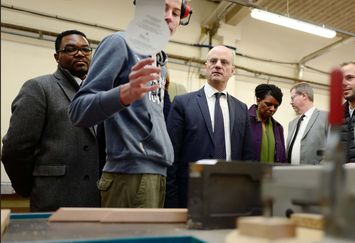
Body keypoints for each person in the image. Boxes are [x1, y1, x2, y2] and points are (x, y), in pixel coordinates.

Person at [68, 0, 189, 208]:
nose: (169, 16)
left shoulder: (160, 63)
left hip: (157, 173)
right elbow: (78, 110)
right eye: (163, 8)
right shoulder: (120, 43)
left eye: (176, 13)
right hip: (129, 174)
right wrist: (123, 94)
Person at [1, 30, 100, 212]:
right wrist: (30, 187)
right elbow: (15, 148)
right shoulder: (39, 88)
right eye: (70, 49)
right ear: (57, 57)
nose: (79, 53)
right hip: (54, 198)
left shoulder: (98, 93)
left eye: (85, 49)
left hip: (95, 200)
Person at [165, 45, 254, 208]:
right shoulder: (183, 104)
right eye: (213, 61)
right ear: (206, 67)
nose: (218, 65)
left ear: (232, 70)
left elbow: (247, 158)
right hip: (191, 194)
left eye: (224, 62)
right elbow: (171, 157)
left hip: (231, 194)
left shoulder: (241, 109)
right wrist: (171, 201)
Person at [286, 82, 329, 165]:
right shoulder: (292, 124)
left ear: (304, 95)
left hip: (316, 175)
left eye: (292, 98)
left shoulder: (326, 117)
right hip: (291, 174)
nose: (291, 102)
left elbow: (333, 149)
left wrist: (320, 169)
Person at [248, 84, 286, 163]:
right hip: (249, 173)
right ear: (258, 100)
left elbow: (282, 158)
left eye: (276, 106)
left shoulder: (278, 128)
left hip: (273, 174)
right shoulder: (245, 122)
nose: (272, 109)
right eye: (268, 104)